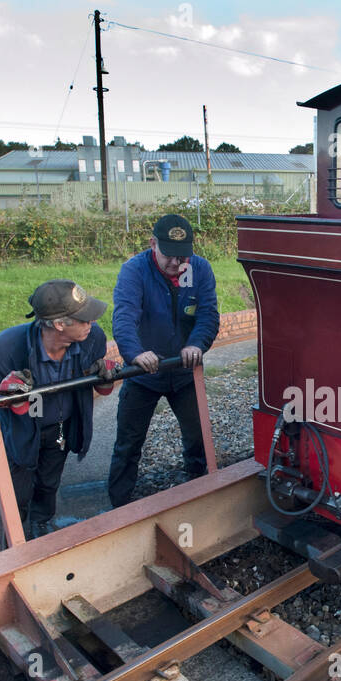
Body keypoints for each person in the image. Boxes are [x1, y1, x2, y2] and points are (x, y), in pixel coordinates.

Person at [0, 280, 119, 538]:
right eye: (84, 319)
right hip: (21, 429)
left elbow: (96, 376)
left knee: (49, 481)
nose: (92, 324)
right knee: (17, 487)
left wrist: (103, 374)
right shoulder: (4, 349)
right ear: (59, 324)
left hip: (61, 425)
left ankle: (41, 523)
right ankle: (13, 534)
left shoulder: (91, 338)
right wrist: (7, 394)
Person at [107, 213, 220, 508]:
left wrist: (196, 344)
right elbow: (124, 317)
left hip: (184, 373)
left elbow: (208, 314)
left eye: (183, 257)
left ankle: (199, 492)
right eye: (170, 256)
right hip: (144, 374)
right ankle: (118, 505)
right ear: (152, 244)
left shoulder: (201, 269)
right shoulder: (134, 271)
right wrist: (135, 353)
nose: (177, 264)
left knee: (198, 438)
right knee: (128, 443)